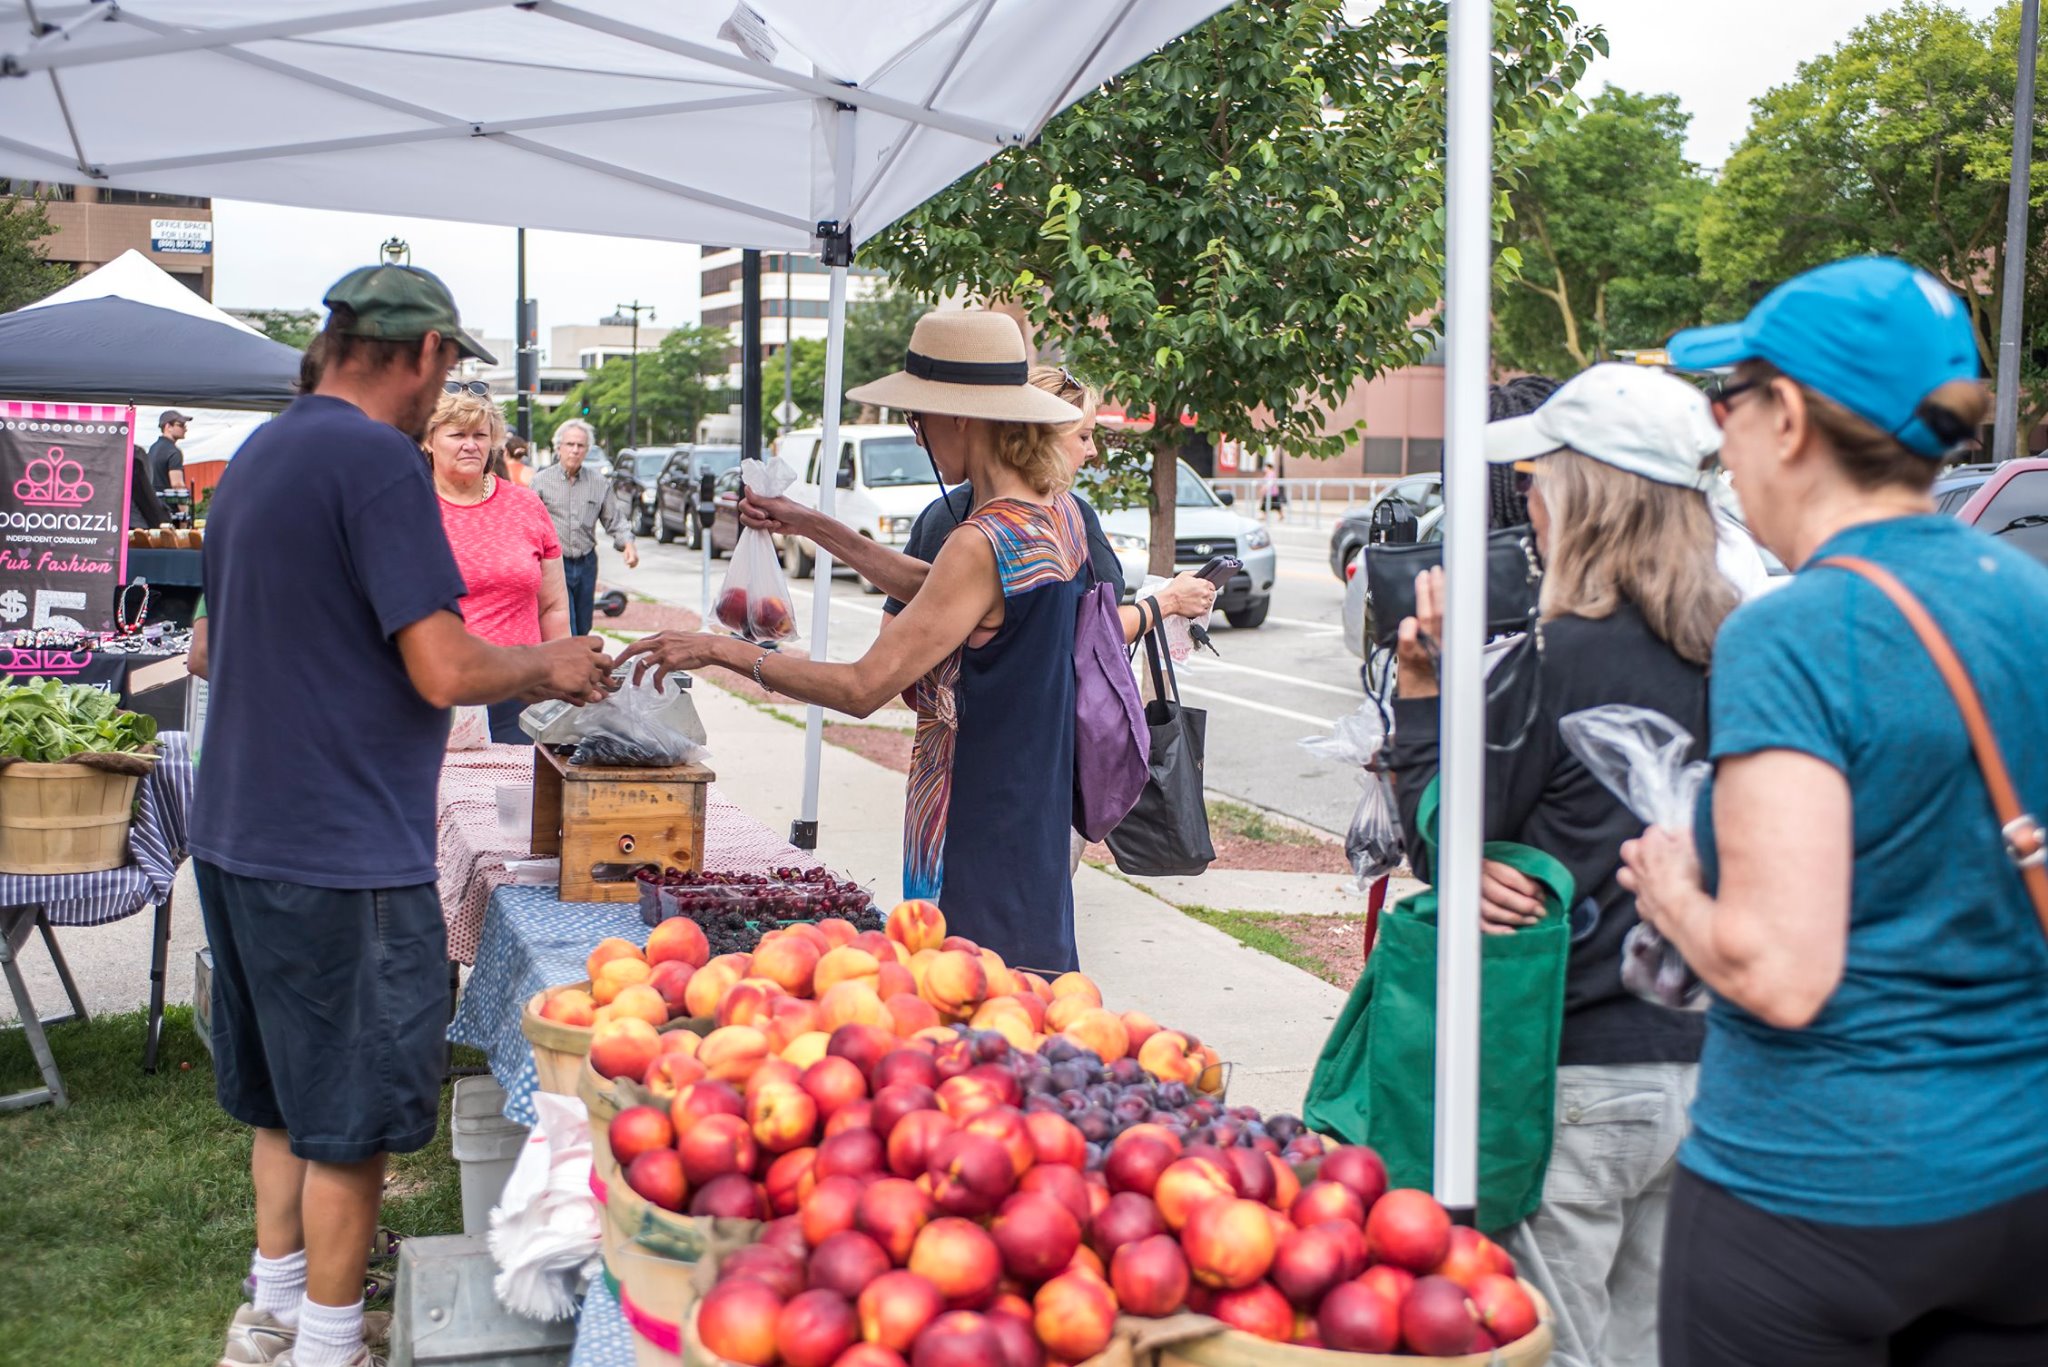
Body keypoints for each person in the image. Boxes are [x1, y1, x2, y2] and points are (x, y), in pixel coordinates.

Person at [1619, 257, 2048, 1365]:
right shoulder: (2023, 593)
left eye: (1729, 402)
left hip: (1813, 1191)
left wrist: (1672, 894)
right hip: (2017, 1176)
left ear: (1791, 417)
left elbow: (1779, 969)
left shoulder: (1796, 629)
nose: (1721, 439)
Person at [191, 262, 614, 1367]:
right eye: (447, 369)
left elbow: (217, 646)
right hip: (340, 844)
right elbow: (440, 664)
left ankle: (269, 1310)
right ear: (424, 354)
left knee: (282, 1097)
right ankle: (331, 1344)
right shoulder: (376, 460)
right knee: (352, 1115)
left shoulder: (259, 455)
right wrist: (549, 664)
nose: (444, 399)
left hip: (239, 829)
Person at [1388, 364, 1741, 1367]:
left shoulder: (1551, 661)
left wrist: (1426, 695)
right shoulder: (1740, 649)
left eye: (1537, 482)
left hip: (1568, 1068)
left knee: (1551, 1347)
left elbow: (1442, 836)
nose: (1525, 505)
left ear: (1582, 499)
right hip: (1704, 1066)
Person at [620, 309, 1091, 971]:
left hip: (977, 824)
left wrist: (720, 649)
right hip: (1031, 814)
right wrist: (811, 523)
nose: (915, 432)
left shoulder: (981, 541)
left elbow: (864, 687)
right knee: (1025, 1012)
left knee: (972, 1013)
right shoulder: (1050, 518)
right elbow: (940, 590)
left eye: (916, 418)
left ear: (960, 417)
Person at [423, 383, 570, 744]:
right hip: (434, 693)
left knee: (518, 795)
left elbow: (552, 606)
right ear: (429, 440)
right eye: (457, 434)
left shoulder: (526, 505)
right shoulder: (409, 506)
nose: (470, 444)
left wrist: (561, 678)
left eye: (480, 434)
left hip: (520, 690)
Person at [532, 418, 637, 636]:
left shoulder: (598, 482)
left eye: (580, 446)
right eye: (570, 444)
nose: (575, 450)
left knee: (583, 625)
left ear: (587, 450)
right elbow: (528, 523)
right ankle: (566, 668)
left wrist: (628, 544)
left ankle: (579, 666)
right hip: (555, 564)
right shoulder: (541, 482)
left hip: (586, 562)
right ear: (558, 447)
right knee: (565, 623)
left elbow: (614, 520)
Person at [148, 409, 189, 493]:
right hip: (168, 503)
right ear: (168, 427)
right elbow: (177, 485)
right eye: (181, 425)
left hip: (152, 502)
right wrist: (184, 505)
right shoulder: (174, 451)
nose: (185, 429)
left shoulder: (153, 448)